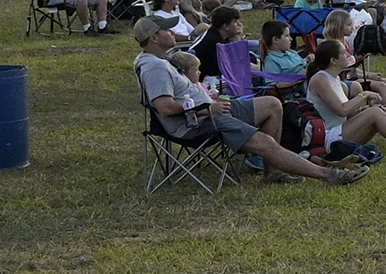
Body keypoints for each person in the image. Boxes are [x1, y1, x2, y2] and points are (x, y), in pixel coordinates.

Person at [133, 19, 361, 185]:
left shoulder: (159, 60)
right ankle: (328, 176)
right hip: (199, 122)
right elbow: (164, 108)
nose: (173, 31)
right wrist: (208, 108)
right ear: (153, 38)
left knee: (272, 104)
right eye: (166, 29)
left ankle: (273, 172)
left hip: (212, 109)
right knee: (265, 142)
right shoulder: (155, 67)